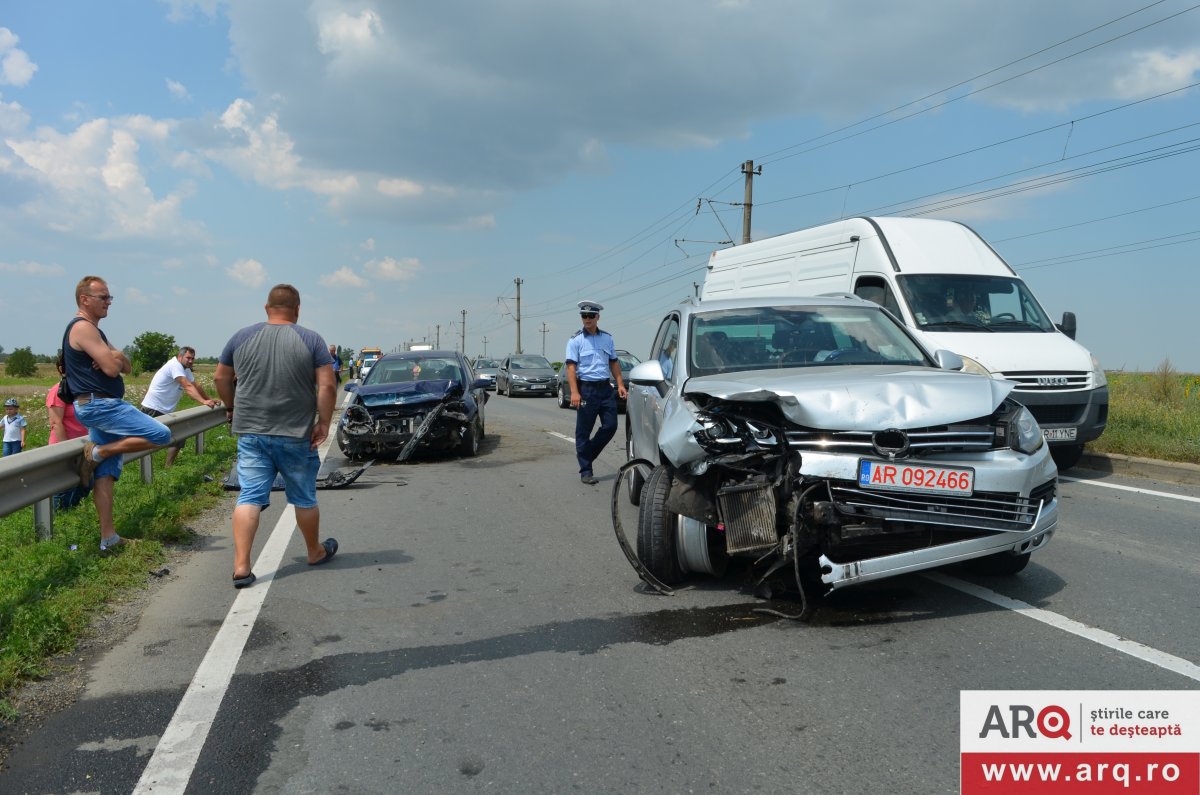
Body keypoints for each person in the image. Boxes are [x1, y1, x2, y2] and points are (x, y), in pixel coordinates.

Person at [214, 283, 338, 589]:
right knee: (304, 497)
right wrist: (323, 422)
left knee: (250, 497)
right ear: (297, 309)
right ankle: (314, 551)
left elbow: (221, 377)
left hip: (252, 433)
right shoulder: (311, 339)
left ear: (267, 308)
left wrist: (231, 407)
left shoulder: (241, 337)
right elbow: (327, 386)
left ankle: (241, 567)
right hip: (296, 434)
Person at [64, 276, 173, 551]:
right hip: (101, 405)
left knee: (107, 473)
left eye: (109, 297)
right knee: (162, 434)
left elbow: (126, 364)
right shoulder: (83, 328)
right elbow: (113, 369)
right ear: (84, 299)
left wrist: (115, 355)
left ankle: (108, 538)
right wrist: (112, 359)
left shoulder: (95, 331)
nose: (108, 302)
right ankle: (98, 452)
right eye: (103, 297)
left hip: (99, 405)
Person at [564, 300, 627, 485]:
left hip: (605, 389)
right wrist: (575, 392)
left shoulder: (607, 338)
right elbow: (570, 368)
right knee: (583, 431)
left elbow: (613, 362)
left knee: (611, 426)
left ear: (598, 317)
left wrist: (621, 385)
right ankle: (586, 471)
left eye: (591, 316)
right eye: (584, 316)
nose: (587, 319)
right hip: (586, 390)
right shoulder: (575, 340)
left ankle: (586, 455)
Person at [141, 346, 221, 467]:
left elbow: (195, 386)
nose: (191, 361)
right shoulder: (175, 366)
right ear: (180, 357)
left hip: (164, 411)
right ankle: (130, 460)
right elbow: (187, 386)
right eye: (188, 358)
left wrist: (208, 399)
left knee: (180, 434)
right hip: (152, 408)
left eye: (193, 358)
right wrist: (203, 402)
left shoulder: (185, 369)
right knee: (143, 441)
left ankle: (168, 467)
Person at [46, 354, 91, 509]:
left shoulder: (81, 390)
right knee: (66, 488)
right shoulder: (57, 391)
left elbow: (88, 415)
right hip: (64, 446)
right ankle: (61, 518)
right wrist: (67, 449)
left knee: (86, 484)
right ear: (62, 369)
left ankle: (72, 513)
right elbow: (56, 423)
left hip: (84, 445)